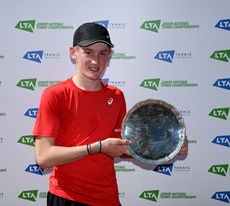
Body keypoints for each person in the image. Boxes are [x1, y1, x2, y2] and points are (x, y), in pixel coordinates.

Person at [33, 22, 188, 206]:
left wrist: (169, 145)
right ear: (73, 53)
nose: (96, 61)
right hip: (67, 198)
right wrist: (97, 147)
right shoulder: (55, 95)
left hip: (108, 199)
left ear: (109, 56)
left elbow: (124, 148)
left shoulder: (116, 96)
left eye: (102, 53)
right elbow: (43, 158)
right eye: (88, 52)